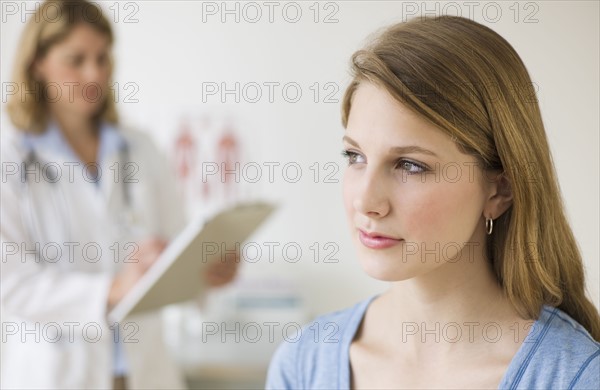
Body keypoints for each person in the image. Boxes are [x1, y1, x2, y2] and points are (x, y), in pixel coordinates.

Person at [266, 15, 600, 389]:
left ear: (499, 190)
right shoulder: (303, 363)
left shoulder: (575, 378)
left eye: (410, 165)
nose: (366, 201)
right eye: (355, 156)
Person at [1, 1, 237, 389]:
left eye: (102, 57)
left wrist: (203, 270)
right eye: (75, 60)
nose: (94, 73)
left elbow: (177, 245)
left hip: (144, 372)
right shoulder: (11, 159)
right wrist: (113, 289)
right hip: (57, 374)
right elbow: (11, 284)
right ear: (37, 64)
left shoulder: (139, 148)